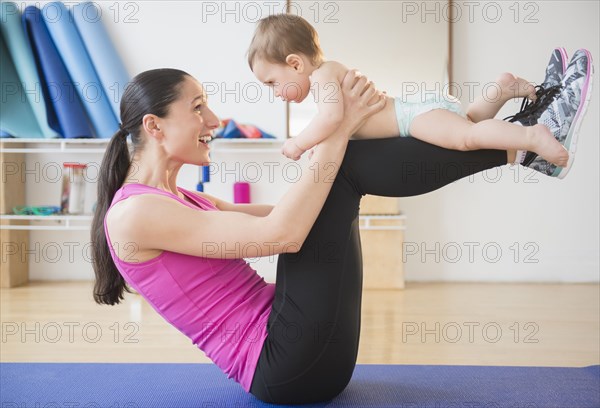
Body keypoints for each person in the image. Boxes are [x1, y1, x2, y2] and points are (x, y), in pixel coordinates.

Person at [91, 51, 589, 404]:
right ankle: (519, 145)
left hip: (303, 354)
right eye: (198, 108)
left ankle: (522, 136)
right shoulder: (135, 213)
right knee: (341, 162)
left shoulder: (179, 198)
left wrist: (336, 135)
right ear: (154, 127)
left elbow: (277, 216)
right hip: (286, 365)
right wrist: (339, 129)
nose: (215, 119)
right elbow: (281, 237)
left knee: (336, 174)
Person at [247, 14, 593, 179]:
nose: (276, 93)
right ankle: (501, 89)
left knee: (468, 138)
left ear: (294, 63)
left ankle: (532, 136)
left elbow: (332, 119)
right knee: (470, 122)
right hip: (420, 109)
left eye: (272, 82)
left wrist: (298, 144)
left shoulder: (323, 76)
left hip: (412, 119)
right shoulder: (329, 72)